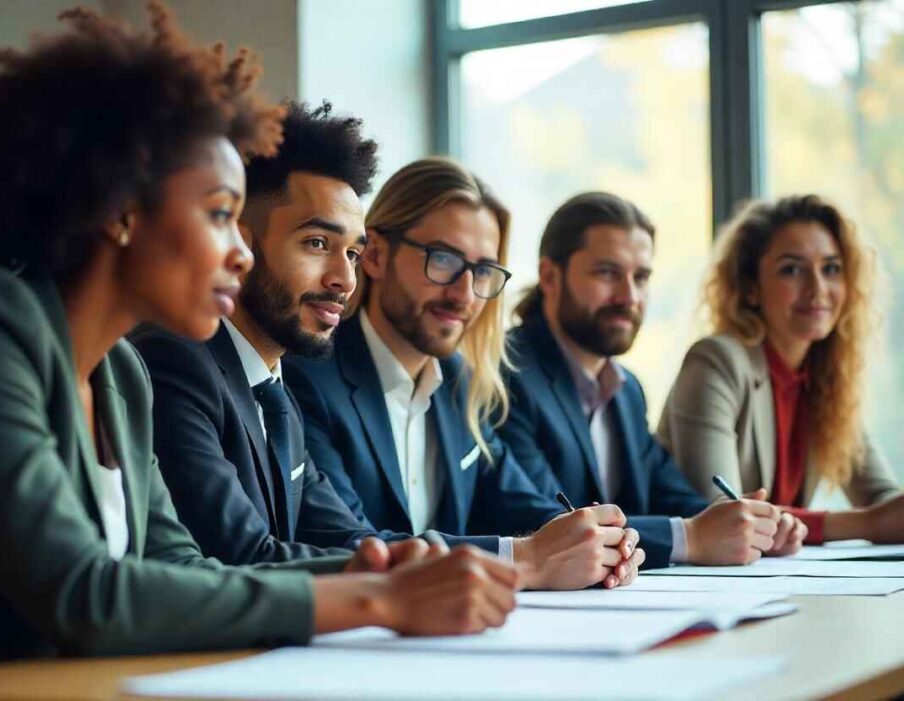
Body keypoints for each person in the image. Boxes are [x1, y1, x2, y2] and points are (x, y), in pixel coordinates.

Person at [0, 4, 518, 676]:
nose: (241, 254)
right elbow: (85, 594)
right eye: (220, 215)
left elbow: (182, 565)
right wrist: (378, 595)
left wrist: (378, 565)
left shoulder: (120, 374)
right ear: (122, 209)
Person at [285, 159, 645, 591]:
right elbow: (349, 546)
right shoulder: (309, 376)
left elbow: (526, 506)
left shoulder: (461, 382)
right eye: (443, 259)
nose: (463, 293)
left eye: (482, 271)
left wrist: (596, 541)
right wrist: (525, 557)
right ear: (377, 255)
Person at [132, 101, 402, 563]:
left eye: (353, 254)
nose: (346, 280)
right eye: (317, 244)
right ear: (237, 240)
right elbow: (242, 556)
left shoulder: (274, 388)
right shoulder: (174, 362)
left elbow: (349, 539)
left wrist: (511, 557)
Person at [499, 191, 790, 570]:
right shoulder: (506, 374)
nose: (629, 296)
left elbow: (672, 496)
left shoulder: (627, 390)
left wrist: (745, 524)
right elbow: (542, 526)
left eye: (641, 277)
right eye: (607, 273)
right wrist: (692, 537)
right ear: (549, 276)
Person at [658, 194, 903, 544]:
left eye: (831, 269)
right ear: (751, 288)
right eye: (792, 269)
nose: (817, 289)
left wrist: (884, 518)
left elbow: (885, 504)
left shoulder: (826, 378)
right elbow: (721, 516)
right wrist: (866, 525)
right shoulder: (716, 362)